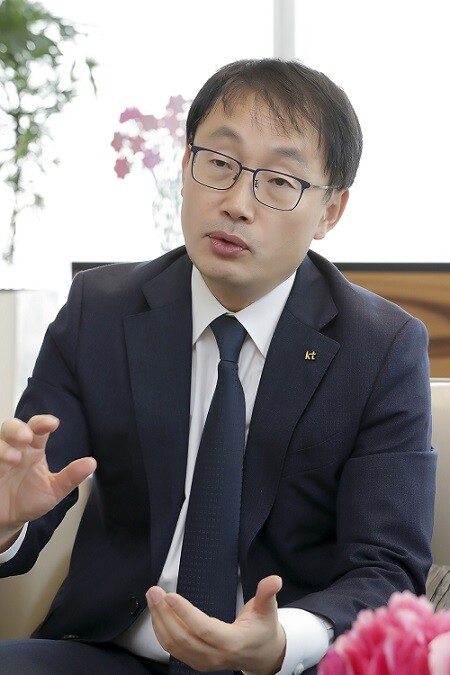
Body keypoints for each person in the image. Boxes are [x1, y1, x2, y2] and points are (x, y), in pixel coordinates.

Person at [0, 58, 436, 675]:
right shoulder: (99, 310)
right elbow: (31, 501)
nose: (236, 204)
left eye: (280, 181)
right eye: (220, 164)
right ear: (185, 167)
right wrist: (6, 523)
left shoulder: (382, 348)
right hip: (109, 655)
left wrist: (280, 641)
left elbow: (387, 568)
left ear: (331, 212)